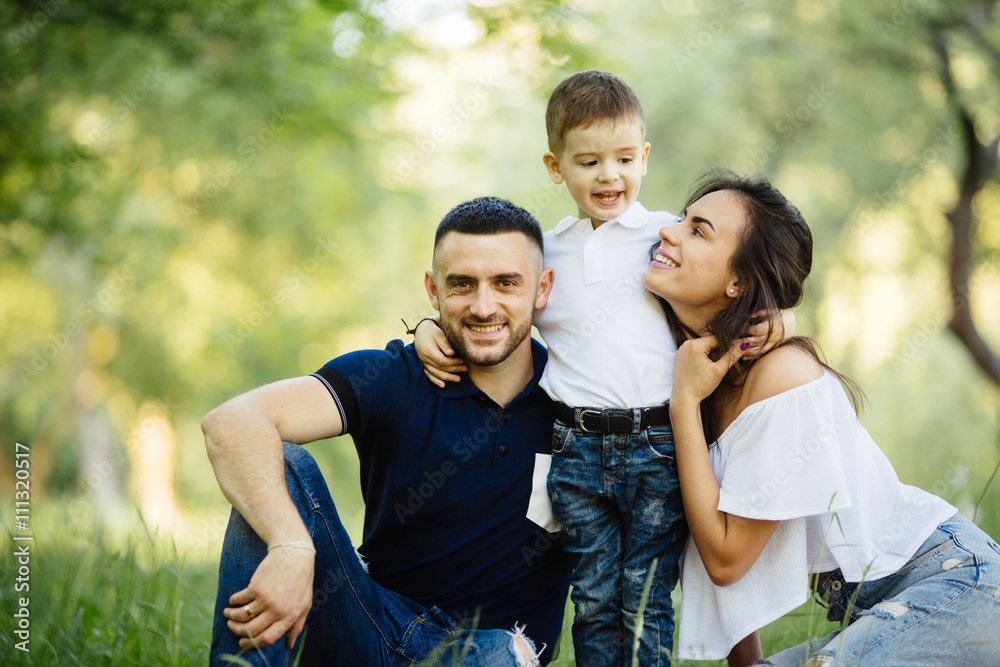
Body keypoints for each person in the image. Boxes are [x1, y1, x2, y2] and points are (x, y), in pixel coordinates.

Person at [416, 70, 791, 667]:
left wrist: (776, 323)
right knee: (591, 596)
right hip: (576, 451)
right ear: (555, 166)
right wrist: (434, 328)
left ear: (644, 157)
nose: (608, 175)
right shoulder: (547, 250)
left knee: (645, 593)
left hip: (656, 447)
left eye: (622, 158)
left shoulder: (665, 237)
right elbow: (495, 310)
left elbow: (732, 290)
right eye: (588, 162)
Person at [643, 168, 1000, 666]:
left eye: (697, 230)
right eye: (683, 219)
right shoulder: (701, 373)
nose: (667, 230)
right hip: (885, 607)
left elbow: (727, 561)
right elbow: (723, 566)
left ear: (740, 282)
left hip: (957, 582)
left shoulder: (781, 376)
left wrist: (682, 405)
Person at [202, 196, 574, 666]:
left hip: (487, 653)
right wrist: (290, 543)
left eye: (505, 283)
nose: (483, 306)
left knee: (502, 653)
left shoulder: (579, 399)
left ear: (542, 289)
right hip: (366, 630)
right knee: (281, 467)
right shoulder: (392, 377)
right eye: (462, 284)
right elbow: (231, 423)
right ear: (433, 290)